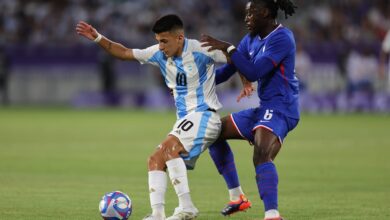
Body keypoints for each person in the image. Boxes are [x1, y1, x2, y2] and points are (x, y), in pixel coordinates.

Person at [76, 14, 251, 220]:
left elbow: (239, 58)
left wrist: (246, 81)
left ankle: (187, 208)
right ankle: (158, 214)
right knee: (155, 159)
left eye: (164, 41)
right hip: (186, 120)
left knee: (169, 148)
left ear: (180, 38)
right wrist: (98, 38)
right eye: (158, 41)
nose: (160, 47)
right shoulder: (159, 54)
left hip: (205, 116)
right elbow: (123, 52)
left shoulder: (201, 50)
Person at [202, 0, 299, 219]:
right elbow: (228, 70)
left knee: (261, 153)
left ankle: (272, 214)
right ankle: (237, 197)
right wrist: (194, 85)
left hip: (283, 108)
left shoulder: (282, 38)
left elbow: (254, 72)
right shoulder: (251, 40)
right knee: (213, 132)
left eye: (250, 14)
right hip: (265, 107)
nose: (246, 19)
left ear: (264, 12)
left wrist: (228, 47)